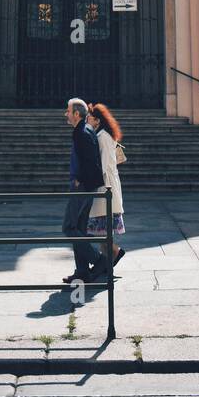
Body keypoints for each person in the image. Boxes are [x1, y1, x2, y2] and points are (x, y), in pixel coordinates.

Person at [62, 97, 105, 284]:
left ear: (77, 114)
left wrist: (80, 181)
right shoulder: (83, 130)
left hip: (83, 186)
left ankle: (98, 260)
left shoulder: (82, 132)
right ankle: (82, 271)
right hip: (86, 185)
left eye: (68, 111)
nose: (66, 114)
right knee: (78, 227)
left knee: (69, 227)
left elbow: (91, 162)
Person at [87, 102, 126, 271]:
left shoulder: (102, 136)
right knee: (102, 230)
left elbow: (102, 165)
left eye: (89, 118)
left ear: (97, 120)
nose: (87, 120)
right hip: (108, 184)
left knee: (101, 229)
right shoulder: (105, 134)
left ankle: (114, 253)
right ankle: (106, 262)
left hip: (105, 186)